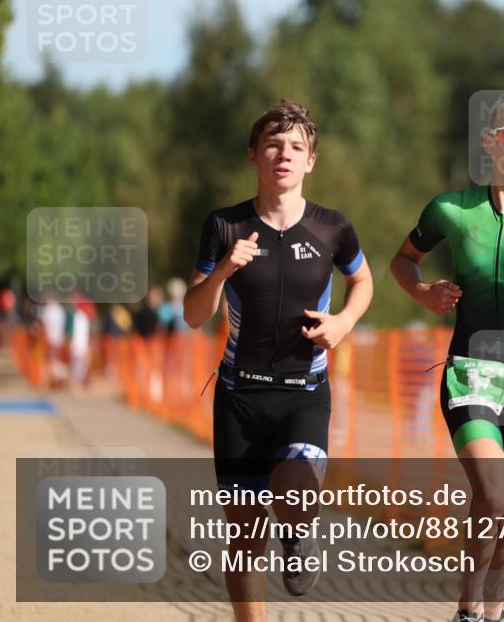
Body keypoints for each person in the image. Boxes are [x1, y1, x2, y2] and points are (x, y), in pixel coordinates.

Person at [390, 93, 504, 622]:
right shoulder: (450, 209)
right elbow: (403, 260)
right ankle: (468, 611)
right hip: (469, 371)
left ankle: (492, 613)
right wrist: (423, 292)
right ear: (488, 142)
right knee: (491, 492)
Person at [183, 99, 372, 621]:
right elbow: (194, 314)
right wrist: (223, 269)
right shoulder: (225, 225)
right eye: (272, 144)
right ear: (253, 155)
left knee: (294, 493)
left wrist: (344, 322)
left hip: (303, 395)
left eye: (296, 146)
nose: (283, 154)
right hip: (239, 397)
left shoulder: (333, 227)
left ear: (311, 160)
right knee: (244, 539)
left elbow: (362, 279)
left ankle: (299, 535)